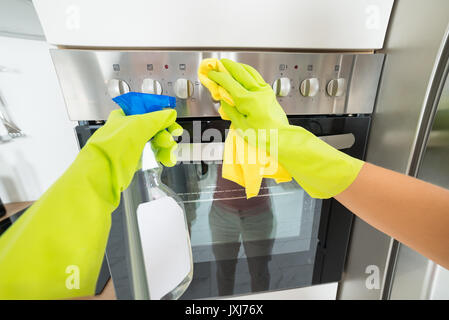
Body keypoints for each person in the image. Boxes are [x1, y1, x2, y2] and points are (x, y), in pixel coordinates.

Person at [1, 58, 448, 299]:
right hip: (219, 214)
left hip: (259, 216)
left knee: (258, 267)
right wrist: (298, 148)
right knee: (228, 269)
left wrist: (98, 165)